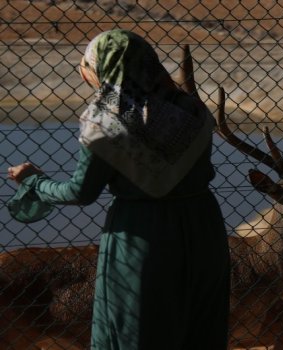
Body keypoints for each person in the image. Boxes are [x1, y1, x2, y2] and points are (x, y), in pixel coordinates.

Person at [7, 29, 230, 349]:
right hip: (204, 227)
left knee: (135, 328)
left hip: (142, 235)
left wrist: (34, 181)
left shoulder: (106, 121)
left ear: (101, 68)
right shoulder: (191, 109)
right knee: (200, 322)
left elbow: (80, 192)